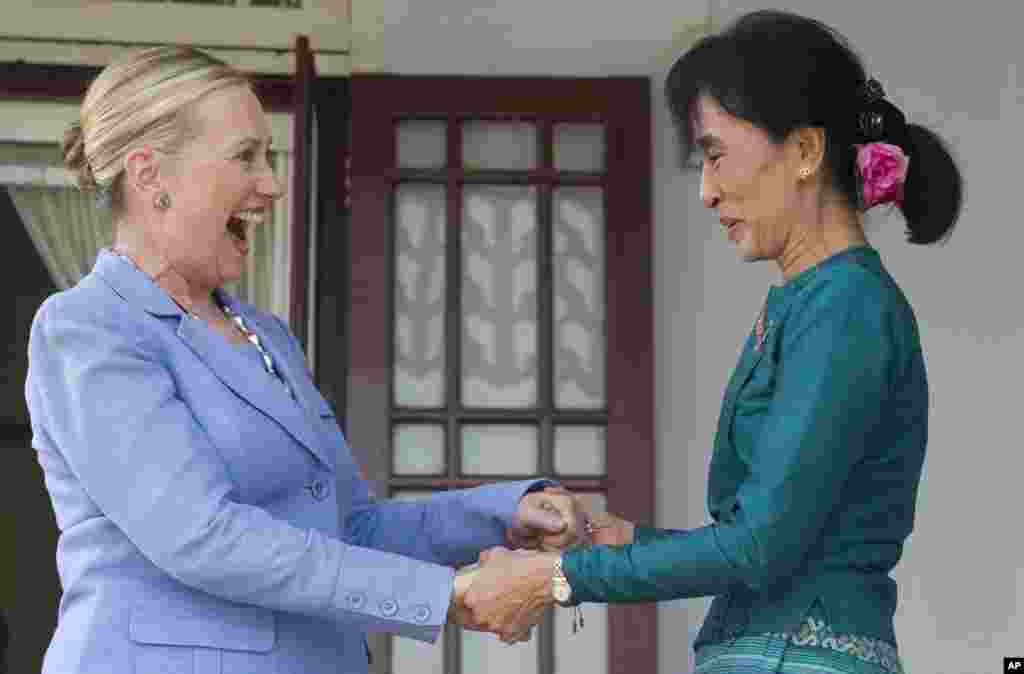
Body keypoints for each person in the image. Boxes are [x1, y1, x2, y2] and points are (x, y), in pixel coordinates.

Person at [24, 46, 587, 674]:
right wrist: (438, 595)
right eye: (246, 157)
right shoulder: (87, 327)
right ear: (150, 174)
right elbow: (200, 536)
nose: (272, 183)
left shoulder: (264, 334)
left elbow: (348, 528)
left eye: (268, 156)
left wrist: (501, 514)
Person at [456, 9, 963, 674]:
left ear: (806, 152)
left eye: (716, 154)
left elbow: (756, 548)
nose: (705, 190)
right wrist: (616, 543)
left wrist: (554, 576)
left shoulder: (846, 306)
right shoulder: (813, 302)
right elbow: (768, 543)